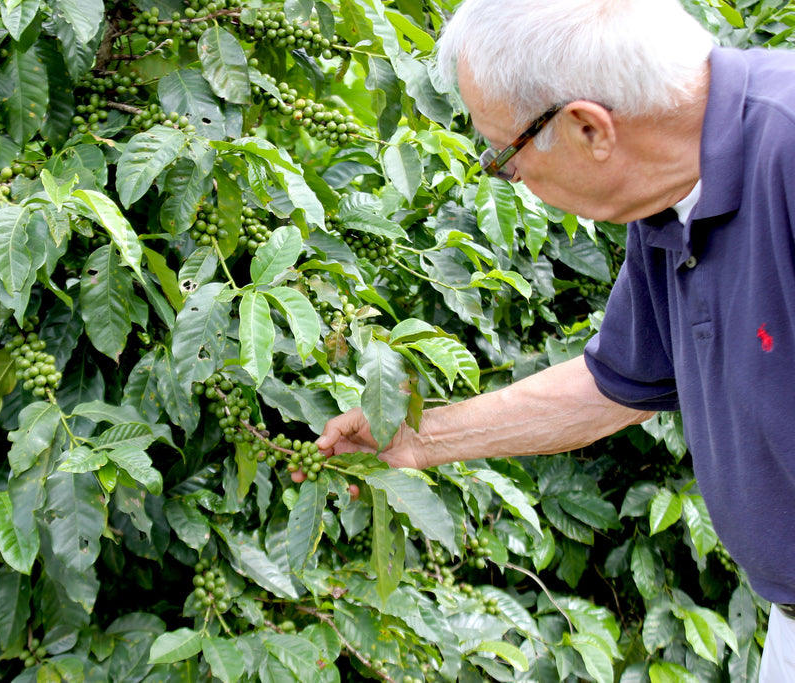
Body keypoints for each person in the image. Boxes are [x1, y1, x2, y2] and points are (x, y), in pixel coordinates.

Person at [314, 0, 795, 679]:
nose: (515, 179)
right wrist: (421, 437)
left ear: (589, 127)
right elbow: (616, 385)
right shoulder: (667, 200)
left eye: (505, 157)